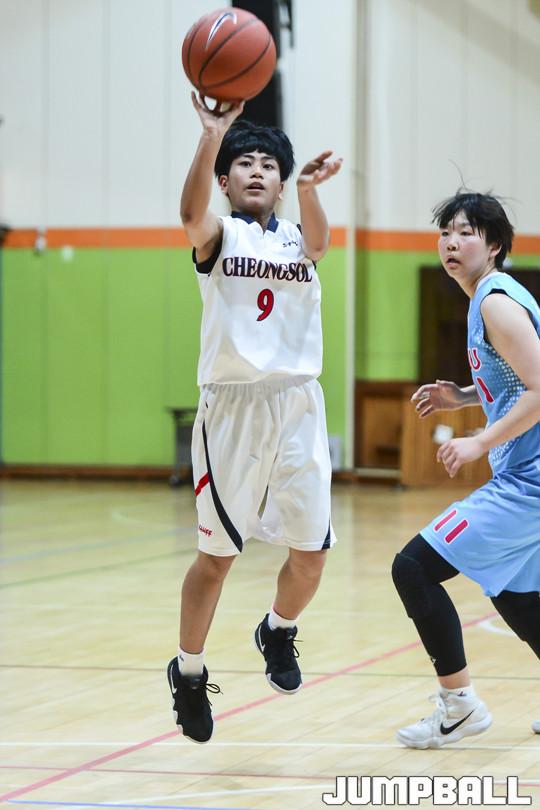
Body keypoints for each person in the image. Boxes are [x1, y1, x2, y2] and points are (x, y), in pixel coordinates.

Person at [167, 92, 342, 743]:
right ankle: (188, 672)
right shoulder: (220, 235)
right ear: (226, 180)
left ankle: (278, 629)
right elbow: (189, 215)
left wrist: (313, 190)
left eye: (270, 165)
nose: (258, 171)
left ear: (282, 182)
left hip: (297, 403)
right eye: (245, 163)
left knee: (312, 554)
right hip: (233, 409)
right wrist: (212, 135)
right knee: (217, 558)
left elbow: (320, 242)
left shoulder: (297, 239)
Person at [392, 191, 540, 749]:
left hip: (530, 483)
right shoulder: (489, 298)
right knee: (514, 594)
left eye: (466, 232)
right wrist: (464, 395)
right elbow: (514, 383)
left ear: (494, 245)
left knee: (413, 567)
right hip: (526, 476)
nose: (451, 242)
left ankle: (460, 708)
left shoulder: (496, 303)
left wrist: (479, 441)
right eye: (445, 232)